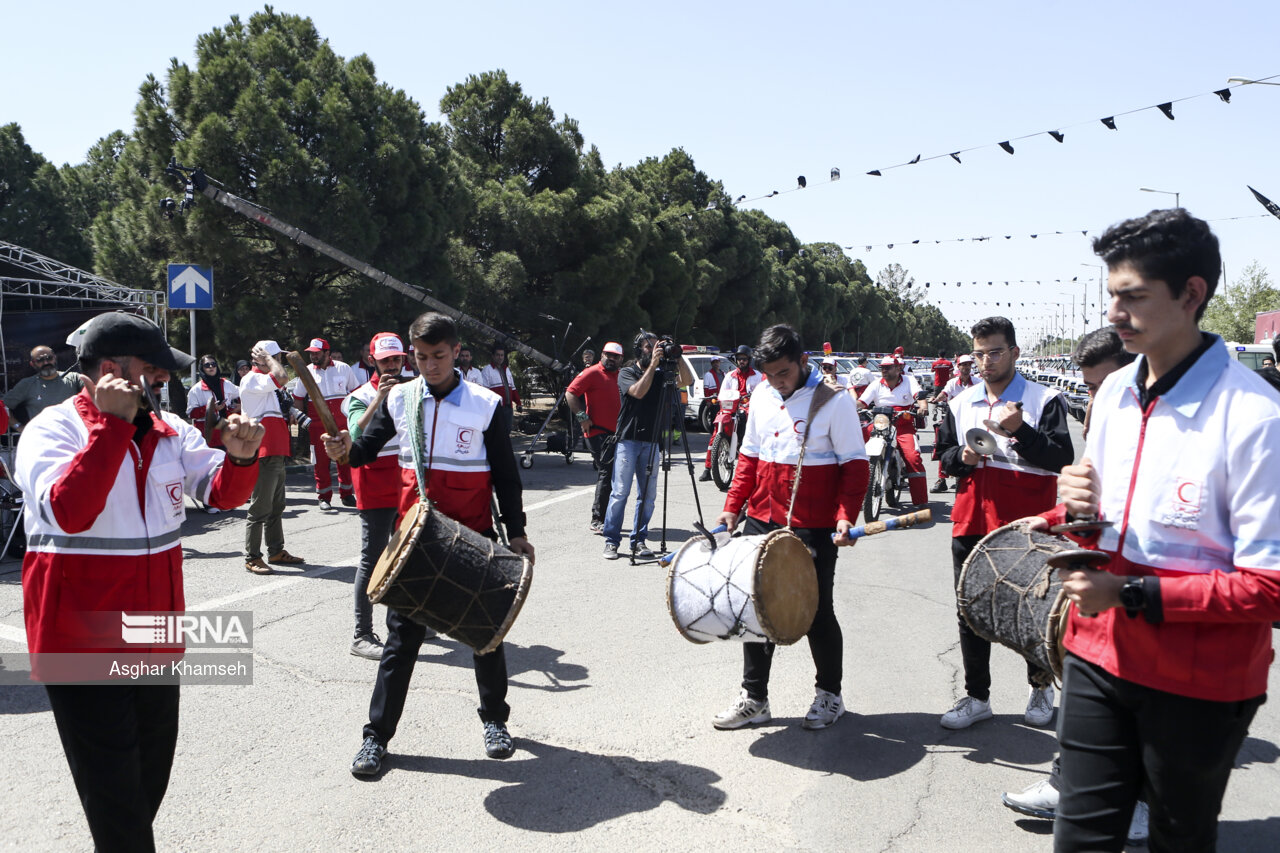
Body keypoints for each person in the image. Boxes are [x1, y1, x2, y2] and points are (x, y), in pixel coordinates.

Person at [1028, 209, 1280, 851]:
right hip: (1096, 654)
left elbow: (1270, 588)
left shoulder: (1255, 416)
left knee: (1178, 840)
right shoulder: (1112, 394)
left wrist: (1132, 595)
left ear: (1191, 293)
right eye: (1112, 293)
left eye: (1132, 295)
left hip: (1201, 681)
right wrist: (1068, 511)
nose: (1114, 312)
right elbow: (1103, 525)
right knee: (1078, 839)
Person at [13, 311, 263, 852]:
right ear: (111, 369)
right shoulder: (52, 430)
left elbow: (218, 491)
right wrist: (110, 427)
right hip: (78, 638)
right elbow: (69, 511)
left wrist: (242, 460)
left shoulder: (171, 430)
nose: (164, 380)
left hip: (154, 632)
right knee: (116, 800)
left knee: (147, 781)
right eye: (153, 370)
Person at [325, 312, 536, 773]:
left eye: (438, 357)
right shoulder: (400, 398)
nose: (429, 366)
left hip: (473, 538)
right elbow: (364, 449)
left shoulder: (485, 404)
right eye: (421, 357)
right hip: (415, 542)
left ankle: (495, 721)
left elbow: (505, 474)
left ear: (456, 352)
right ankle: (376, 737)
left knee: (485, 634)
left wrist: (516, 531)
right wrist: (345, 450)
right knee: (401, 643)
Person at [1000, 325, 1148, 846]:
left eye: (1102, 386)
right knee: (1087, 704)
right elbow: (1098, 501)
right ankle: (1068, 785)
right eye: (1087, 389)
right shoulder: (1110, 420)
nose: (1093, 400)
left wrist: (1134, 592)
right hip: (1102, 601)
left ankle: (1145, 805)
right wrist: (1051, 516)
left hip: (1152, 610)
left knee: (1139, 711)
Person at [711, 323, 868, 731]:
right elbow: (748, 456)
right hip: (761, 518)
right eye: (769, 374)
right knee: (755, 609)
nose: (777, 382)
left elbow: (854, 465)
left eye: (784, 373)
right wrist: (732, 507)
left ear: (803, 361)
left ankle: (830, 695)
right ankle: (754, 698)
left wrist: (845, 514)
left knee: (816, 612)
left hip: (812, 525)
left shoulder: (834, 401)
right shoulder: (762, 393)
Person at [934, 317, 1073, 730]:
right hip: (971, 520)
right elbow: (941, 457)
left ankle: (1040, 686)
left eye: (995, 352)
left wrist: (1022, 431)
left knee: (1032, 610)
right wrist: (963, 458)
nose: (986, 361)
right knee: (969, 609)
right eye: (979, 353)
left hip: (1027, 526)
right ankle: (977, 697)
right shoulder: (960, 401)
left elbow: (1060, 459)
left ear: (1014, 352)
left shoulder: (1044, 398)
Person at [341, 333, 413, 660]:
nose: (392, 365)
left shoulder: (412, 390)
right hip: (373, 486)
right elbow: (356, 432)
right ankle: (361, 634)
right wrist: (378, 399)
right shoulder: (359, 395)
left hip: (405, 484)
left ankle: (398, 624)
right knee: (372, 560)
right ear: (373, 361)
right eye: (385, 361)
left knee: (404, 557)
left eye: (396, 359)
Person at [602, 332, 694, 560]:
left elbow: (687, 381)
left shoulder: (663, 374)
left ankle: (639, 540)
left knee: (648, 495)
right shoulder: (627, 372)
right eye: (647, 347)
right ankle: (611, 540)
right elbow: (638, 392)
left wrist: (677, 356)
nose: (652, 350)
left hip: (652, 442)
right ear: (638, 350)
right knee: (620, 492)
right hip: (628, 440)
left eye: (655, 347)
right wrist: (653, 365)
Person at [239, 340, 305, 574]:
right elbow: (283, 377)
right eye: (275, 357)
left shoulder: (265, 383)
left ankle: (276, 550)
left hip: (275, 450)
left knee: (276, 506)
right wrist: (268, 359)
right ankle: (252, 556)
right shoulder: (253, 378)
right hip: (264, 450)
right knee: (260, 508)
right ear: (263, 357)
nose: (278, 361)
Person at [290, 337, 360, 509]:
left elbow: (356, 392)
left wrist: (355, 418)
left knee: (345, 459)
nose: (313, 356)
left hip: (342, 422)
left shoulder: (343, 368)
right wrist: (300, 421)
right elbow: (298, 398)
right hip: (317, 426)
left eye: (316, 353)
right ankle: (324, 497)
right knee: (320, 462)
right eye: (311, 354)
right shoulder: (306, 372)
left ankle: (346, 494)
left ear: (327, 353)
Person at [566, 341, 624, 533]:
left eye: (615, 356)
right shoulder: (592, 372)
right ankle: (597, 518)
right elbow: (571, 393)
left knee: (615, 475)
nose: (611, 358)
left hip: (618, 434)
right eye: (608, 355)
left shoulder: (622, 376)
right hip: (597, 432)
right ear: (602, 355)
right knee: (606, 472)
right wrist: (583, 418)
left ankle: (608, 517)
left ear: (620, 359)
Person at [857, 354, 929, 506]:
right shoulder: (876, 384)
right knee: (858, 451)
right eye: (882, 368)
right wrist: (849, 408)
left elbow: (919, 396)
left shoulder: (909, 380)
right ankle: (859, 494)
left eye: (888, 368)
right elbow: (862, 402)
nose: (884, 371)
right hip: (879, 424)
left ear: (898, 368)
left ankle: (921, 501)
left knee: (913, 457)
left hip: (903, 425)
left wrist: (923, 406)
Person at [701, 345, 762, 481]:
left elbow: (762, 394)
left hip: (749, 409)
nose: (741, 361)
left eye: (744, 359)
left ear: (749, 360)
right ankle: (708, 468)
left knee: (751, 427)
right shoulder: (729, 376)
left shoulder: (758, 376)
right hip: (731, 408)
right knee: (717, 431)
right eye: (739, 359)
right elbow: (723, 394)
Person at [930, 354, 979, 493]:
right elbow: (944, 394)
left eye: (968, 365)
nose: (966, 368)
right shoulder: (952, 383)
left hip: (972, 420)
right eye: (963, 365)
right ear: (958, 367)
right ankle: (942, 479)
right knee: (942, 444)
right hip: (953, 420)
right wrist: (936, 400)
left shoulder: (978, 382)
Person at [5, 344, 83, 429]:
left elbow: (94, 395)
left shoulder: (74, 378)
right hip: (42, 439)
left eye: (49, 358)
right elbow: (3, 406)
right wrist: (18, 426)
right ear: (32, 364)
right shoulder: (27, 384)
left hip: (72, 437)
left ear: (55, 358)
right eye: (40, 360)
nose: (46, 363)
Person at [481, 344, 521, 433]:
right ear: (493, 356)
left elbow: (513, 389)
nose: (500, 357)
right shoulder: (487, 370)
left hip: (508, 408)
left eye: (502, 355)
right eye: (497, 355)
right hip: (495, 409)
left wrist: (518, 403)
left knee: (507, 432)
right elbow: (485, 392)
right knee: (496, 433)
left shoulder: (507, 370)